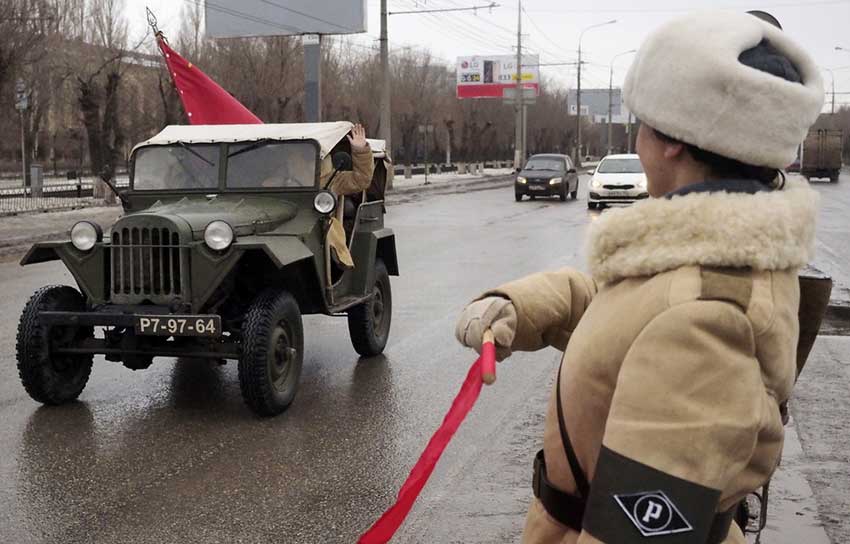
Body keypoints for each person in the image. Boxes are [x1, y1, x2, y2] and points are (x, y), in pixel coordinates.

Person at [455, 10, 824, 544]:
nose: (638, 139)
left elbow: (637, 532)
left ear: (674, 139)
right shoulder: (706, 258)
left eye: (642, 122)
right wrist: (520, 305)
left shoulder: (706, 321)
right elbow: (629, 309)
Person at [323, 123, 374, 269]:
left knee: (330, 229)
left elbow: (361, 179)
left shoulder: (330, 178)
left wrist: (360, 150)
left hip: (320, 227)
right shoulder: (279, 180)